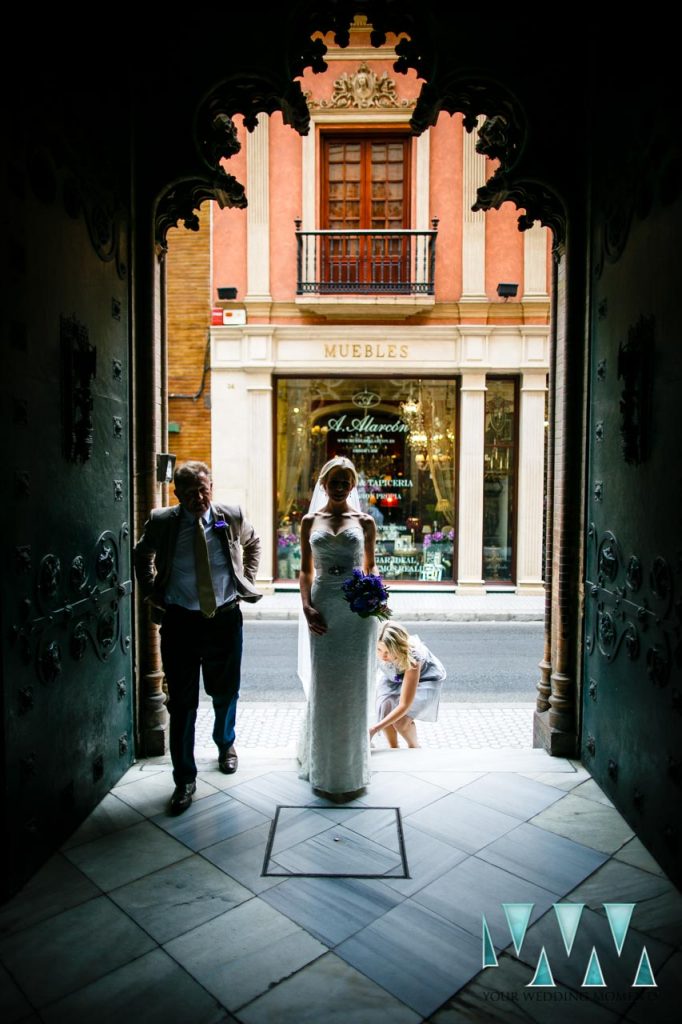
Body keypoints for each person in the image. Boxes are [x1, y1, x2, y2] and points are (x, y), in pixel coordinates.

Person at [134, 460, 261, 813]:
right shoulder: (163, 522)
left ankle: (225, 744)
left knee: (225, 691)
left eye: (204, 489)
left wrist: (245, 579)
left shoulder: (230, 514)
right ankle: (184, 779)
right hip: (180, 622)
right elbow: (142, 554)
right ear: (177, 495)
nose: (199, 497)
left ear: (212, 487)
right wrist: (151, 591)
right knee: (182, 704)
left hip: (223, 619)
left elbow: (254, 543)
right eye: (190, 493)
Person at [298, 456, 378, 799]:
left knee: (354, 684)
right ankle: (324, 764)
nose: (341, 486)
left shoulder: (365, 522)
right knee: (326, 682)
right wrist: (306, 606)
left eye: (347, 480)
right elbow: (304, 570)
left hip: (356, 610)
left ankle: (351, 768)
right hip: (324, 604)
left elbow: (372, 567)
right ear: (324, 483)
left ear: (353, 485)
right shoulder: (308, 521)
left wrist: (374, 599)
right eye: (335, 480)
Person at [371, 622, 446, 748]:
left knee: (401, 722)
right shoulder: (377, 647)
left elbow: (404, 705)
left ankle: (414, 747)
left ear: (398, 648)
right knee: (385, 708)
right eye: (379, 649)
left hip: (424, 678)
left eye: (388, 652)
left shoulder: (413, 659)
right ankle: (393, 748)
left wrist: (373, 729)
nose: (383, 656)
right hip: (393, 673)